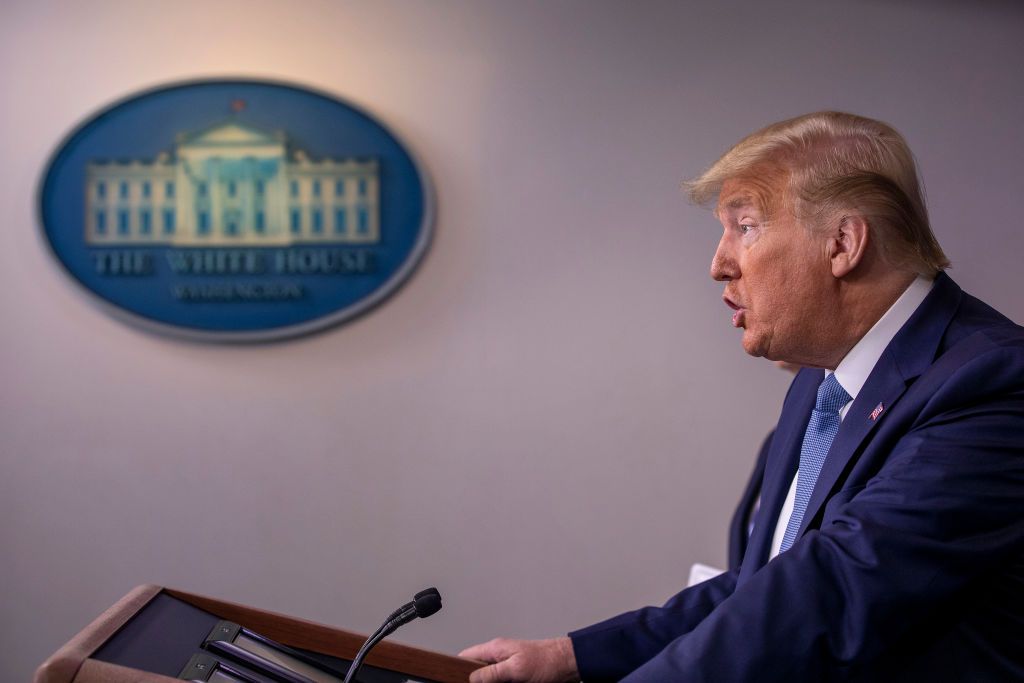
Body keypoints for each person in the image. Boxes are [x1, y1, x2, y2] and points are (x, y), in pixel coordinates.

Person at [460, 112, 1024, 682]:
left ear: (843, 243)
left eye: (746, 226)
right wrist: (573, 658)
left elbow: (829, 592)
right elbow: (762, 584)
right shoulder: (821, 381)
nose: (718, 264)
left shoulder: (994, 382)